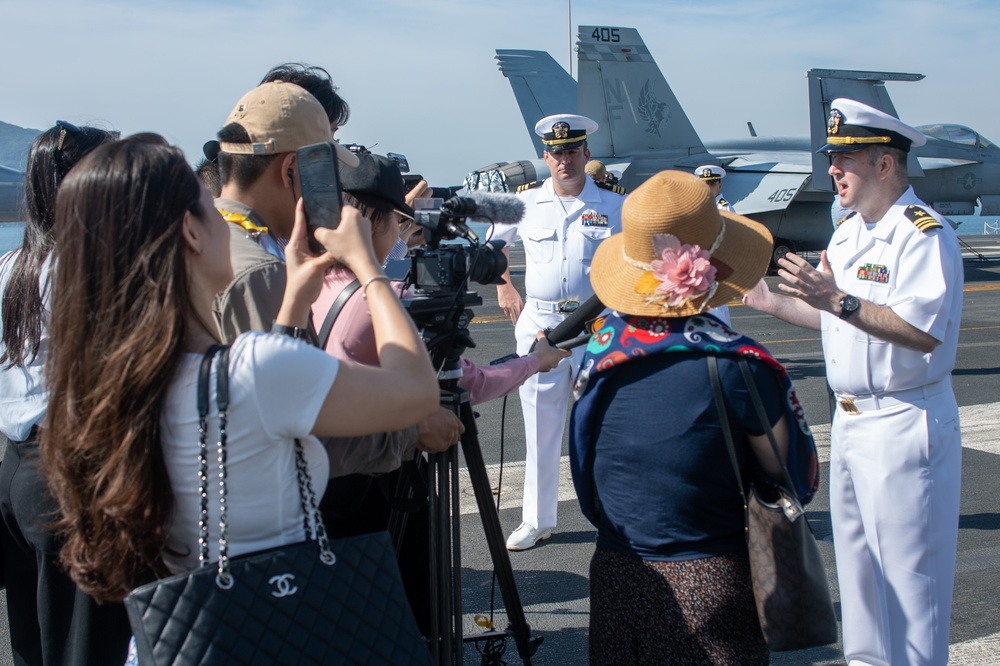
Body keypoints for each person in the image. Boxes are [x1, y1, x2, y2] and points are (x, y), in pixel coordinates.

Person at [39, 136, 437, 609]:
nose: (234, 227)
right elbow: (415, 393)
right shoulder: (254, 369)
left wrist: (294, 303)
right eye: (215, 210)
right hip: (275, 619)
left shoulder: (101, 385)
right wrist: (369, 268)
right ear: (192, 232)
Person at [743, 98, 963, 666]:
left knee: (912, 587)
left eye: (845, 160)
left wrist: (834, 297)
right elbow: (831, 316)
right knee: (860, 577)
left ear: (884, 165)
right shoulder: (847, 236)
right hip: (849, 421)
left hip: (904, 421)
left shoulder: (923, 235)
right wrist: (763, 298)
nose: (833, 170)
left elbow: (922, 331)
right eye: (832, 159)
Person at [570, 169, 820, 665]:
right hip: (712, 575)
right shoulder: (740, 364)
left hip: (619, 571)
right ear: (716, 268)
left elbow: (585, 472)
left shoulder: (600, 354)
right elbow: (797, 478)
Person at [311, 152, 570, 629]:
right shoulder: (382, 303)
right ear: (377, 219)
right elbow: (469, 382)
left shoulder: (317, 280)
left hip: (327, 483)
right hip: (378, 483)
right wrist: (537, 361)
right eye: (396, 220)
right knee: (412, 605)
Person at [0, 122, 131, 665]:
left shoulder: (12, 269)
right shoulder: (90, 271)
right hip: (71, 473)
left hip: (16, 470)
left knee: (35, 644)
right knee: (84, 648)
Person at [491, 113, 625, 550]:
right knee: (540, 426)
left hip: (597, 325)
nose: (564, 160)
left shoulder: (614, 204)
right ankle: (536, 519)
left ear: (586, 154)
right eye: (556, 153)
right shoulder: (525, 202)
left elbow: (638, 256)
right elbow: (492, 246)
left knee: (602, 425)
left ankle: (613, 514)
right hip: (541, 328)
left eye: (572, 151)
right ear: (545, 157)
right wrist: (505, 287)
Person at [212, 79, 359, 340]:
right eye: (324, 169)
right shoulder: (260, 274)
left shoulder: (198, 236)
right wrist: (367, 268)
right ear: (290, 170)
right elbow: (291, 379)